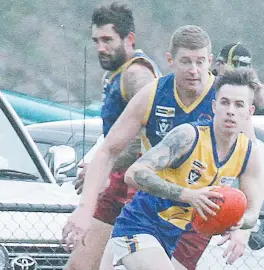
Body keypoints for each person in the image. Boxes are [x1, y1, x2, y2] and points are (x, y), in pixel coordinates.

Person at [63, 25, 256, 269]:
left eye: (199, 62)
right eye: (185, 61)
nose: (194, 71)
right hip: (152, 206)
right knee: (81, 264)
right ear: (170, 61)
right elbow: (108, 150)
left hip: (197, 216)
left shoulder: (225, 100)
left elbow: (251, 164)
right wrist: (84, 210)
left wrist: (244, 229)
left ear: (209, 61)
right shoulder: (154, 93)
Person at [108, 67, 264, 270]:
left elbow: (253, 213)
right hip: (138, 226)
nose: (231, 110)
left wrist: (237, 222)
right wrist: (187, 195)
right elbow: (134, 174)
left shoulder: (248, 153)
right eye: (225, 102)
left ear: (249, 112)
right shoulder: (189, 136)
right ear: (214, 106)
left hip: (172, 236)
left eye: (239, 105)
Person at [64, 3, 161, 270]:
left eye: (108, 40)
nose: (100, 47)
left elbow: (150, 138)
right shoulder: (118, 73)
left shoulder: (136, 75)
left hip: (133, 189)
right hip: (119, 185)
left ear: (129, 39)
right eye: (96, 40)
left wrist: (104, 167)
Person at [212, 43, 264, 115]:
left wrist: (261, 103)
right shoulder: (205, 87)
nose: (238, 83)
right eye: (232, 76)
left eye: (244, 76)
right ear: (218, 65)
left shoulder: (248, 92)